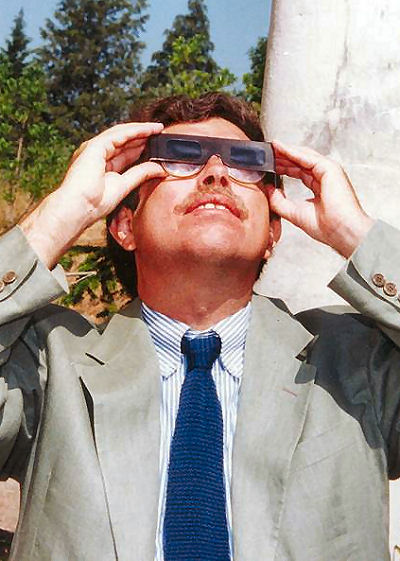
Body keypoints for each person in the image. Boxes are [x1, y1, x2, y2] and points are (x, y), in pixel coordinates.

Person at [0, 92, 399, 561]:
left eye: (245, 163)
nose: (215, 173)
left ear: (273, 235)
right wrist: (60, 215)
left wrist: (353, 230)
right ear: (125, 226)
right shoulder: (49, 366)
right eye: (180, 157)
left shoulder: (358, 362)